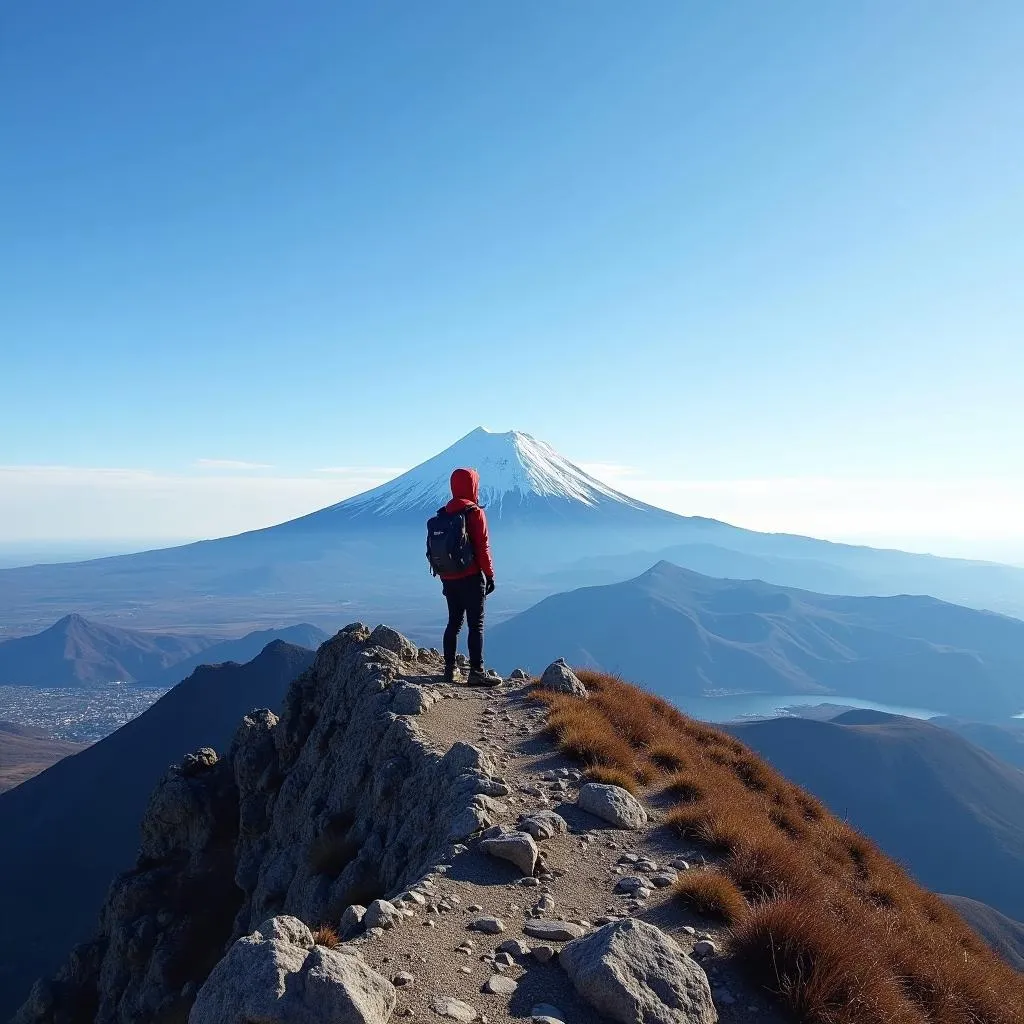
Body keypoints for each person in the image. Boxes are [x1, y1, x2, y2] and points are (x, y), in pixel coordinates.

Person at [436, 467, 496, 686]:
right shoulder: (474, 512)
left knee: (454, 623)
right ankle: (476, 672)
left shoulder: (444, 512)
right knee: (475, 625)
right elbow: (482, 547)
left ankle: (449, 669)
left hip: (448, 577)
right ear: (473, 485)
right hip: (471, 577)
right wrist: (489, 575)